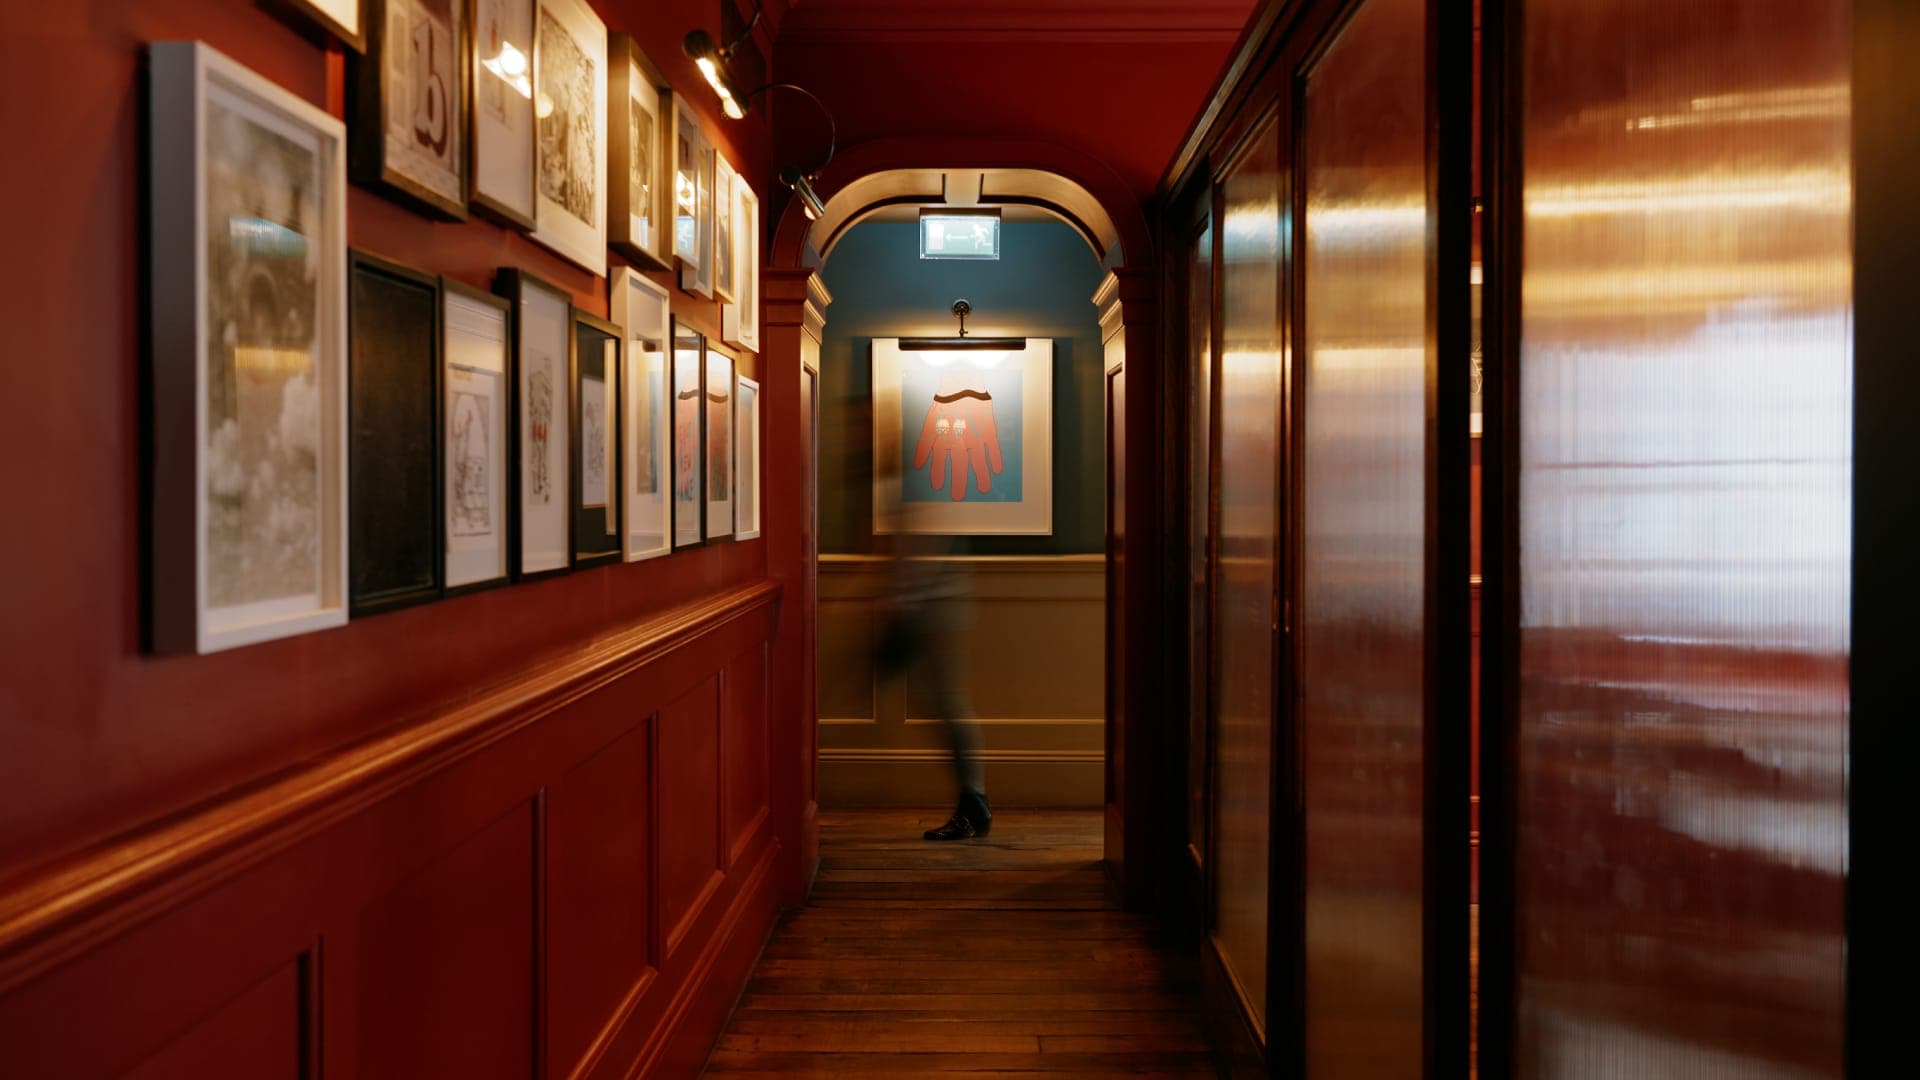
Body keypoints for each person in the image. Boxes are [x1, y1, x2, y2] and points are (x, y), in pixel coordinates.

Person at [873, 520, 991, 840]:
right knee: (947, 705)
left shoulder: (911, 487)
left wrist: (902, 600)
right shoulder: (915, 486)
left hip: (931, 610)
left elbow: (920, 552)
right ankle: (973, 803)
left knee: (948, 706)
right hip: (935, 607)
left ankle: (973, 804)